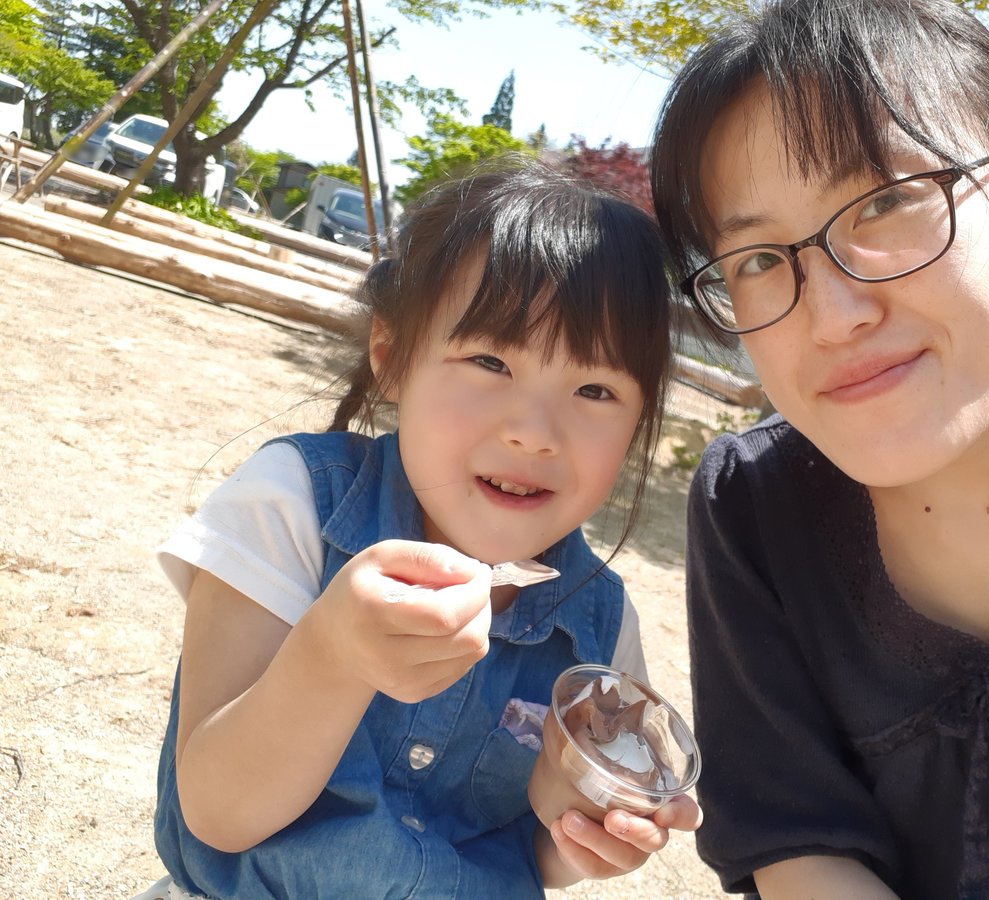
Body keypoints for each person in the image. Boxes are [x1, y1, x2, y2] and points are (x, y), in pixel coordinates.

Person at [649, 0, 989, 897]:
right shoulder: (754, 506)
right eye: (757, 260)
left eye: (886, 202)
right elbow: (795, 840)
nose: (833, 317)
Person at [141, 160, 700, 899]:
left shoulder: (601, 628)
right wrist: (329, 658)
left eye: (594, 389)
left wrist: (581, 831)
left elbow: (532, 857)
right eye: (490, 361)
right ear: (392, 357)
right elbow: (217, 814)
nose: (534, 433)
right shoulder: (292, 506)